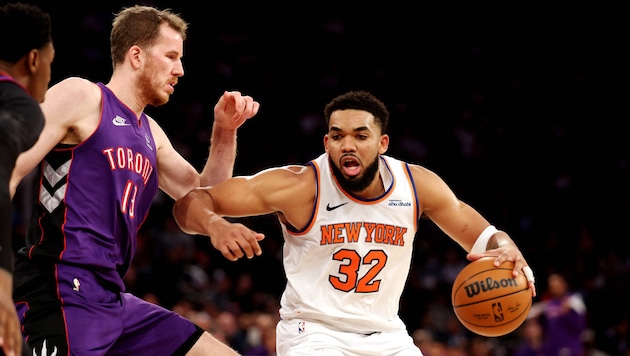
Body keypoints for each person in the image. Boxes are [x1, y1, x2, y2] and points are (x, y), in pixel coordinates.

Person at [172, 90, 537, 355]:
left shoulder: (416, 185)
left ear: (382, 143)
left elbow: (483, 235)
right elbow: (191, 202)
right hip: (313, 333)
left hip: (388, 334)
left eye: (361, 136)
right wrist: (216, 225)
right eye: (338, 135)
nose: (348, 144)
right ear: (326, 142)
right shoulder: (300, 186)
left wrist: (505, 247)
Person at [9, 5, 261, 355]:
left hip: (112, 297)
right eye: (171, 56)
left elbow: (206, 198)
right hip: (62, 288)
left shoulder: (150, 134)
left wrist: (224, 133)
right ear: (137, 56)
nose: (180, 70)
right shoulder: (82, 97)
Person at [0, 3, 54, 356]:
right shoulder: (21, 106)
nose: (50, 74)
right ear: (33, 60)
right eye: (51, 61)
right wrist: (3, 278)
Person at [527, 272, 587, 356]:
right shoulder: (549, 304)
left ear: (564, 284)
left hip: (571, 350)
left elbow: (581, 326)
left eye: (556, 285)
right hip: (553, 350)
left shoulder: (573, 301)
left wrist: (569, 314)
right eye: (552, 286)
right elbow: (531, 314)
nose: (554, 288)